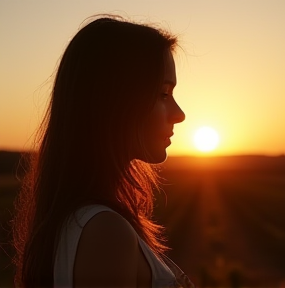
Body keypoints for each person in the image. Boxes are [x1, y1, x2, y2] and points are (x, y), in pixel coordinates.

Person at [12, 15, 194, 288]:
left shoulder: (80, 222)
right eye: (163, 94)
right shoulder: (106, 231)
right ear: (116, 102)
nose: (179, 114)